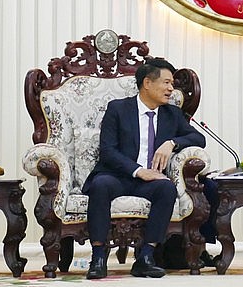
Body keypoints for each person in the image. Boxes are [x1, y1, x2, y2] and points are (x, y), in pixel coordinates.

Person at [82, 57, 208, 280]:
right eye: (167, 82)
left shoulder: (172, 113)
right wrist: (139, 171)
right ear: (147, 83)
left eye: (172, 84)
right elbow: (108, 151)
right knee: (100, 185)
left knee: (167, 189)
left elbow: (198, 138)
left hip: (149, 182)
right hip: (117, 176)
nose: (171, 89)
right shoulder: (118, 109)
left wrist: (172, 143)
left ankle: (146, 257)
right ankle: (98, 257)